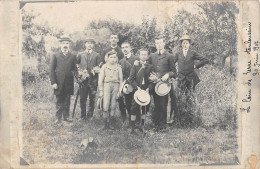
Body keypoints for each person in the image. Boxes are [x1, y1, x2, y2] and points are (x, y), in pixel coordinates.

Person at [148, 36, 177, 130]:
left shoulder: (169, 56)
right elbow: (148, 68)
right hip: (155, 83)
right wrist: (151, 76)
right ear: (155, 45)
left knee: (163, 104)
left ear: (164, 44)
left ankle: (163, 125)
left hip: (164, 84)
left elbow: (174, 72)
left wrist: (168, 75)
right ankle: (156, 124)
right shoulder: (152, 56)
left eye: (160, 43)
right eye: (157, 43)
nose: (159, 45)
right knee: (156, 104)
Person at [49, 36, 77, 124]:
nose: (65, 45)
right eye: (63, 43)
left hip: (69, 82)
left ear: (69, 45)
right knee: (59, 100)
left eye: (67, 43)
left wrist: (79, 77)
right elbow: (51, 70)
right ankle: (58, 118)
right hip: (58, 82)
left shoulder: (72, 56)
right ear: (61, 44)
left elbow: (75, 69)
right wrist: (53, 82)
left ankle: (66, 117)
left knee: (67, 100)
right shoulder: (56, 56)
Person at [128, 48, 155, 134]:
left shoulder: (150, 67)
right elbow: (131, 78)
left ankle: (142, 126)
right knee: (133, 108)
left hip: (145, 89)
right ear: (139, 56)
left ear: (147, 56)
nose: (143, 56)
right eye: (141, 54)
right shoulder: (135, 66)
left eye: (145, 55)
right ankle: (132, 127)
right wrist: (136, 87)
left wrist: (148, 88)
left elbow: (152, 81)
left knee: (144, 108)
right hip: (137, 89)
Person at [76, 37, 101, 121]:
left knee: (92, 98)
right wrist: (79, 73)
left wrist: (96, 70)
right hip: (83, 81)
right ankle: (83, 116)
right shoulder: (80, 54)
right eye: (88, 42)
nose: (89, 44)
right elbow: (76, 65)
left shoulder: (97, 55)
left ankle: (90, 116)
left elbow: (99, 66)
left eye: (91, 43)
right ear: (85, 44)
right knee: (82, 98)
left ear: (93, 45)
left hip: (93, 81)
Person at [98, 51, 123, 129]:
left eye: (114, 57)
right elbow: (100, 80)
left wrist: (120, 91)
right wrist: (101, 90)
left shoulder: (118, 67)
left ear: (117, 58)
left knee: (113, 104)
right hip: (106, 85)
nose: (113, 59)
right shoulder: (104, 67)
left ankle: (111, 123)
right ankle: (105, 124)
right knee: (105, 104)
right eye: (111, 57)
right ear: (107, 58)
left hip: (116, 86)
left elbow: (121, 80)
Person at [118, 42, 138, 122]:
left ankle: (137, 122)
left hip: (135, 84)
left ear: (130, 48)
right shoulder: (121, 61)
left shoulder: (136, 58)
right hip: (126, 85)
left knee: (136, 104)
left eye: (126, 47)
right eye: (123, 48)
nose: (124, 49)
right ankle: (131, 121)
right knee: (128, 103)